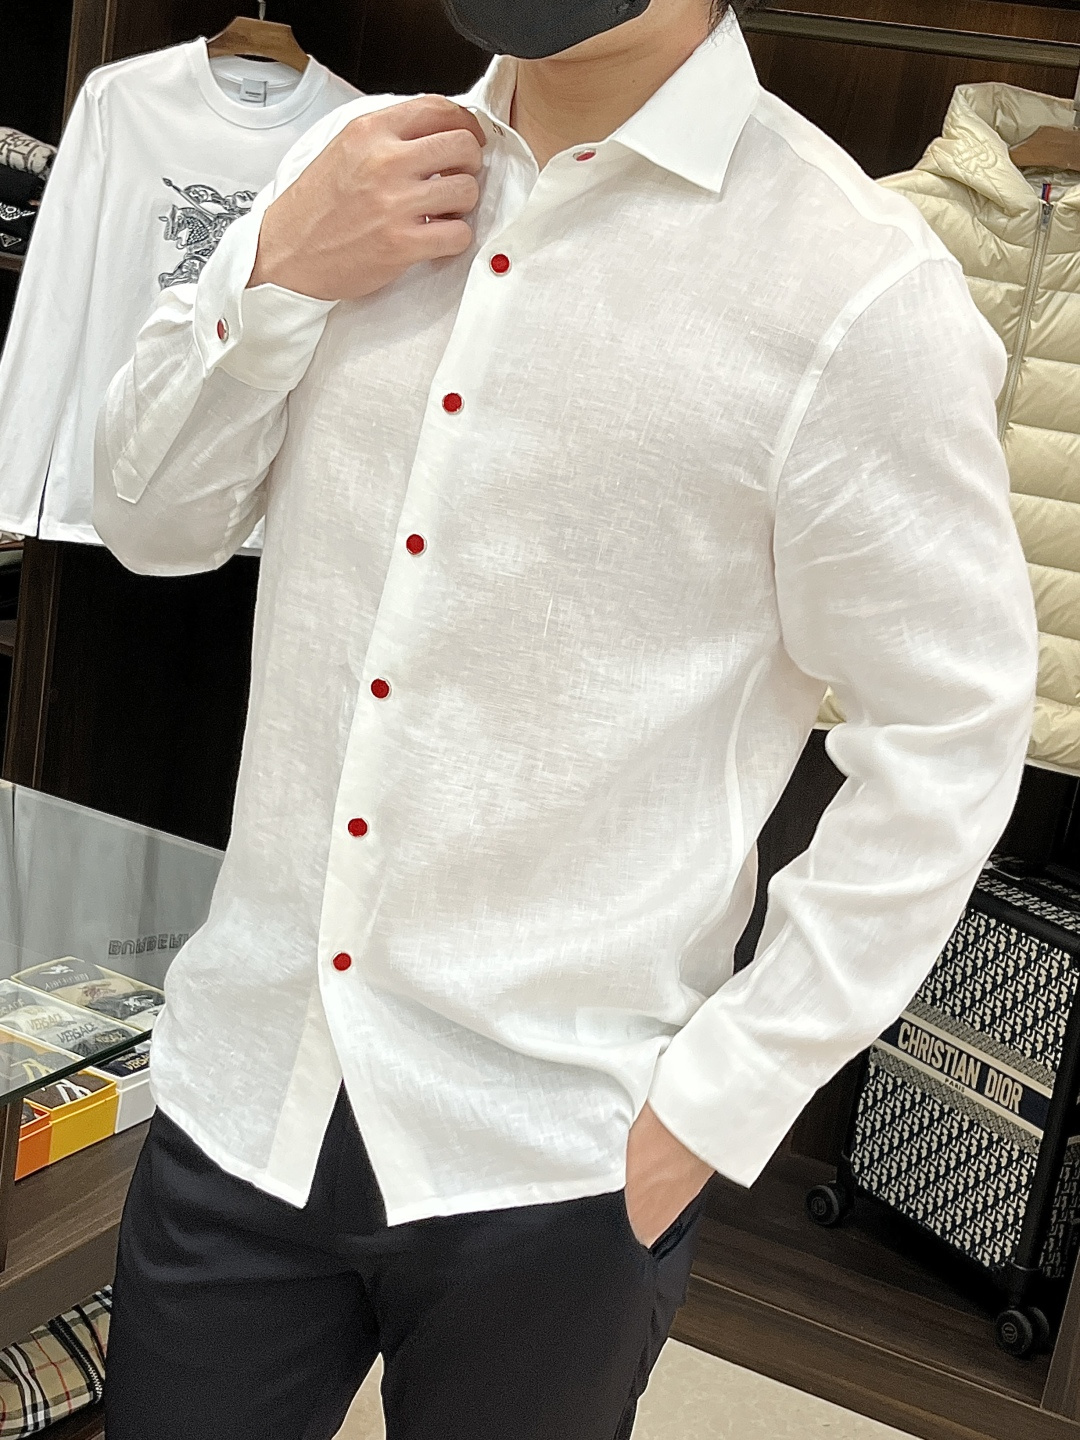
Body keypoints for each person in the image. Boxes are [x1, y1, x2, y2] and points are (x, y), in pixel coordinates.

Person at [94, 0, 1038, 1436]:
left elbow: (951, 735)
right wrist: (275, 270)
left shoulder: (853, 284)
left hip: (558, 1159)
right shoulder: (348, 169)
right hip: (249, 1080)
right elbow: (151, 521)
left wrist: (718, 1103)